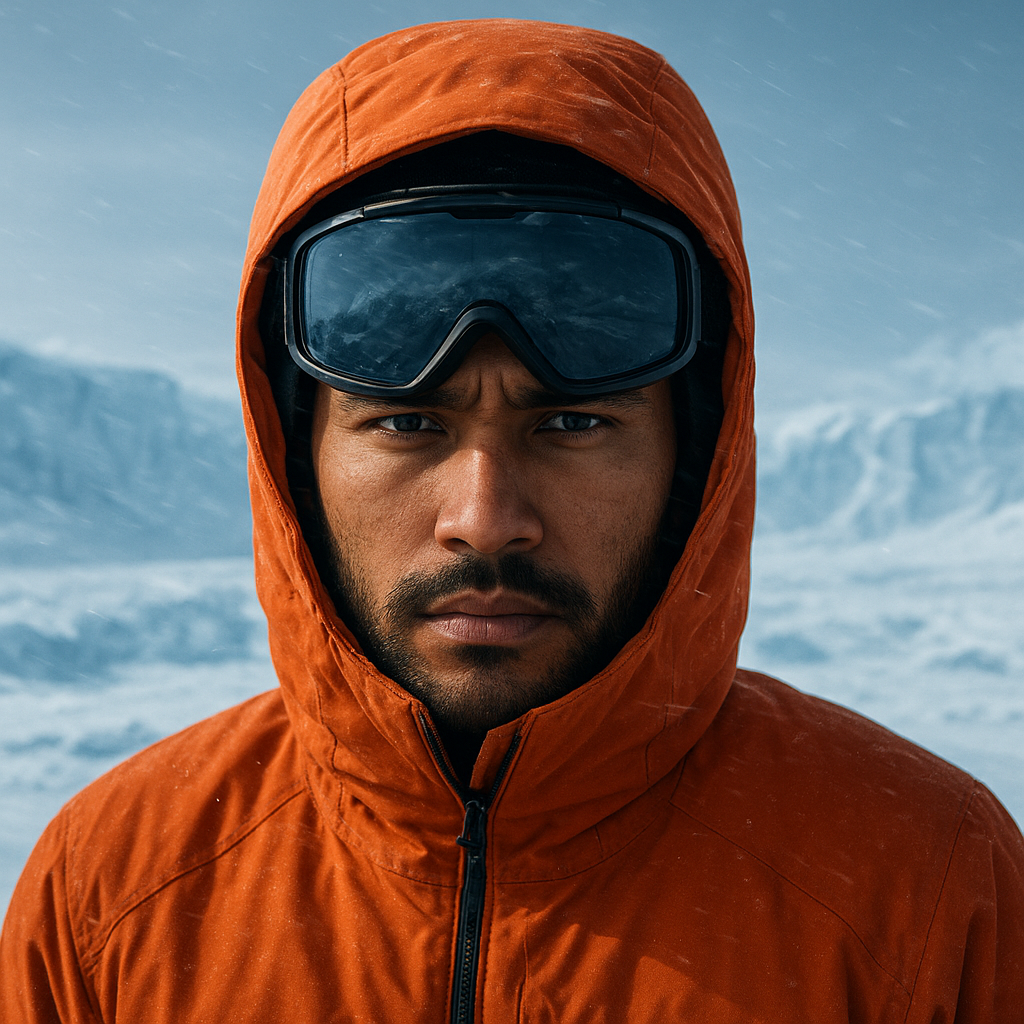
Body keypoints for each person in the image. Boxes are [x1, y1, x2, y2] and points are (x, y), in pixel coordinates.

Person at [2, 19, 1022, 1023]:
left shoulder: (930, 886)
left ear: (694, 455)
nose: (484, 520)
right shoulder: (109, 889)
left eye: (572, 422)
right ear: (295, 456)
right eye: (407, 422)